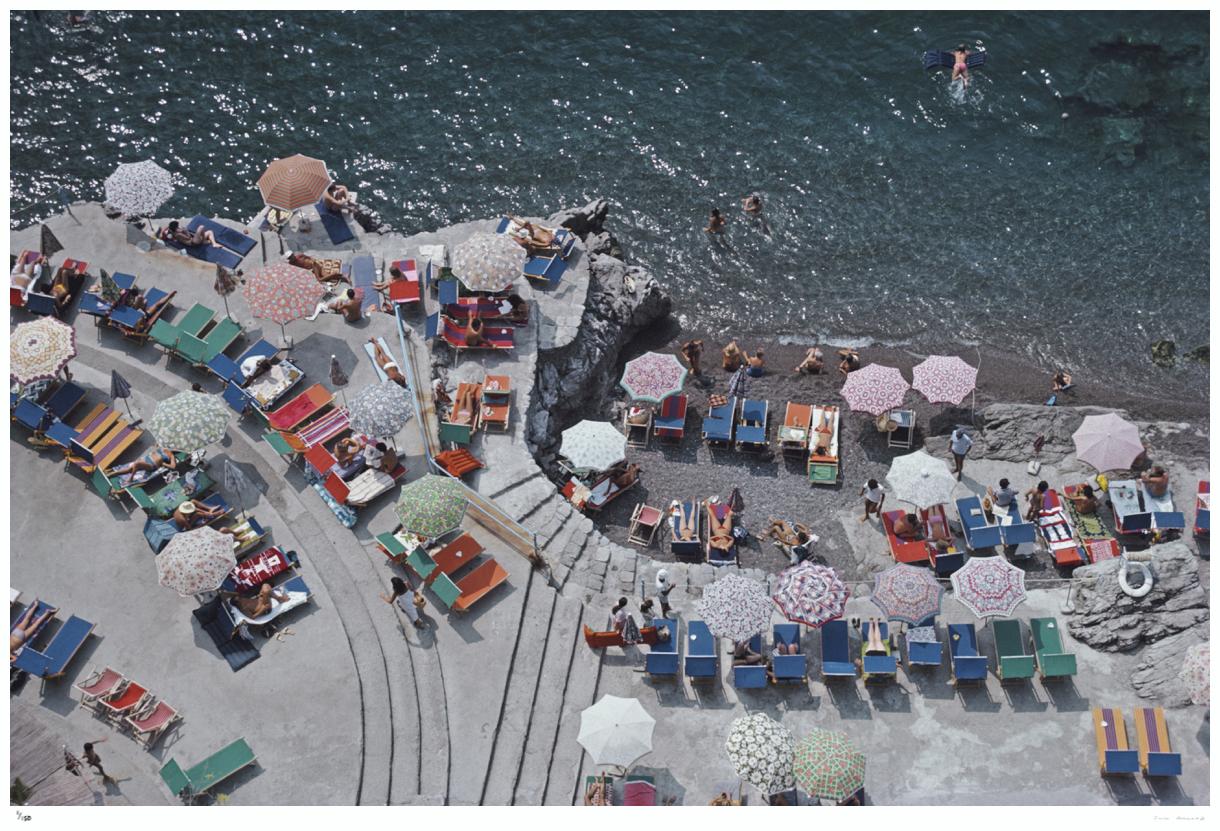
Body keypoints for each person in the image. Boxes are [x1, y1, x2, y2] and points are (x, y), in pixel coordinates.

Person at [109, 446, 177, 478]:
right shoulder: (163, 447)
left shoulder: (171, 456)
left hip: (151, 465)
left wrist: (164, 464)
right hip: (146, 458)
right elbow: (154, 449)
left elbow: (173, 466)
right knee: (130, 469)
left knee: (137, 464)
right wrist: (156, 448)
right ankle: (114, 473)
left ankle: (131, 478)